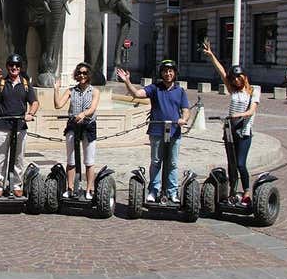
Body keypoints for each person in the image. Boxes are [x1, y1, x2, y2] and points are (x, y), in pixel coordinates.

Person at [117, 60, 190, 203]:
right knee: (156, 161)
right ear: (161, 73)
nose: (168, 74)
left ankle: (172, 192)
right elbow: (137, 94)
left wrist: (183, 119)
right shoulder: (155, 88)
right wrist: (127, 81)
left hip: (174, 131)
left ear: (175, 73)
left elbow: (186, 111)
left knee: (173, 163)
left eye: (170, 71)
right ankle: (153, 190)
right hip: (157, 130)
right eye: (165, 71)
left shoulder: (180, 91)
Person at [203, 41, 260, 206]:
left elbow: (251, 111)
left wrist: (237, 115)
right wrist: (211, 55)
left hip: (244, 131)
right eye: (233, 77)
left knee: (241, 163)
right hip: (230, 130)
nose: (235, 80)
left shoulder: (253, 91)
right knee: (232, 164)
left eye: (238, 77)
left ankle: (247, 191)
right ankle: (233, 192)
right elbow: (221, 72)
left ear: (244, 77)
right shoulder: (233, 90)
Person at [0, 53, 39, 197]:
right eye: (11, 65)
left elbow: (34, 102)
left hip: (20, 125)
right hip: (2, 124)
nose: (14, 68)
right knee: (0, 157)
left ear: (20, 68)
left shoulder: (25, 84)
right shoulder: (1, 82)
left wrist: (30, 114)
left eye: (17, 65)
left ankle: (16, 184)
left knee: (18, 157)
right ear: (8, 67)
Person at [53, 62, 100, 200]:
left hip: (88, 126)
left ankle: (89, 189)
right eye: (79, 73)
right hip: (73, 126)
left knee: (89, 160)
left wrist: (83, 114)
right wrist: (56, 89)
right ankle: (70, 188)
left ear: (89, 75)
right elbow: (58, 105)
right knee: (71, 160)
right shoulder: (71, 91)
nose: (82, 75)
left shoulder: (95, 91)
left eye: (85, 73)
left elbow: (92, 109)